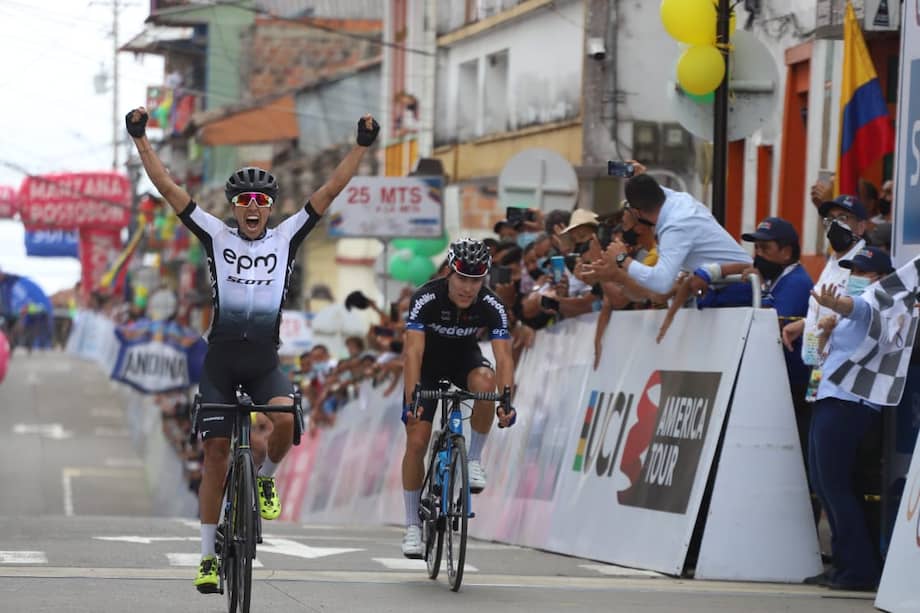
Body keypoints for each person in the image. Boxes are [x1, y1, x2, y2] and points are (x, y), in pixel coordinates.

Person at [125, 105, 379, 593]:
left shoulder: (287, 236)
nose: (254, 205)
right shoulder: (215, 235)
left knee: (284, 419)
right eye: (245, 199)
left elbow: (329, 191)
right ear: (235, 206)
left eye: (262, 198)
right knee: (216, 451)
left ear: (270, 206)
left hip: (264, 360)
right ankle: (205, 558)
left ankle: (265, 476)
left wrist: (362, 148)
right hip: (220, 360)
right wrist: (141, 141)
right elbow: (169, 189)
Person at [399, 238, 517, 558]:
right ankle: (412, 526)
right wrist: (413, 401)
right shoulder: (426, 297)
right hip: (427, 368)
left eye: (476, 280)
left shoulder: (491, 304)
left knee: (486, 380)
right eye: (462, 278)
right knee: (417, 440)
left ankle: (474, 459)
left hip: (465, 362)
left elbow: (504, 357)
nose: (468, 288)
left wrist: (505, 402)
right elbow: (413, 352)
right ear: (449, 273)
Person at [803, 247, 892, 591]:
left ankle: (857, 570)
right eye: (852, 269)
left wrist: (838, 306)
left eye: (861, 270)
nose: (854, 275)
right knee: (825, 484)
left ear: (879, 276)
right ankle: (843, 564)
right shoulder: (857, 303)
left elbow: (862, 309)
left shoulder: (881, 300)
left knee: (835, 486)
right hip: (830, 396)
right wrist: (827, 326)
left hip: (849, 402)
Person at [584, 174, 752, 295]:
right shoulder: (678, 199)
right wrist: (640, 177)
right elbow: (652, 190)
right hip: (728, 285)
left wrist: (622, 259)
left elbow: (662, 283)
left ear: (636, 212)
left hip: (740, 287)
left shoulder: (676, 227)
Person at [782, 195, 868, 372]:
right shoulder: (833, 262)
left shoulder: (863, 265)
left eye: (843, 218)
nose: (835, 224)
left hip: (844, 370)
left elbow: (859, 312)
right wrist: (805, 324)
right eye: (830, 219)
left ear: (860, 226)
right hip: (819, 366)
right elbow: (826, 308)